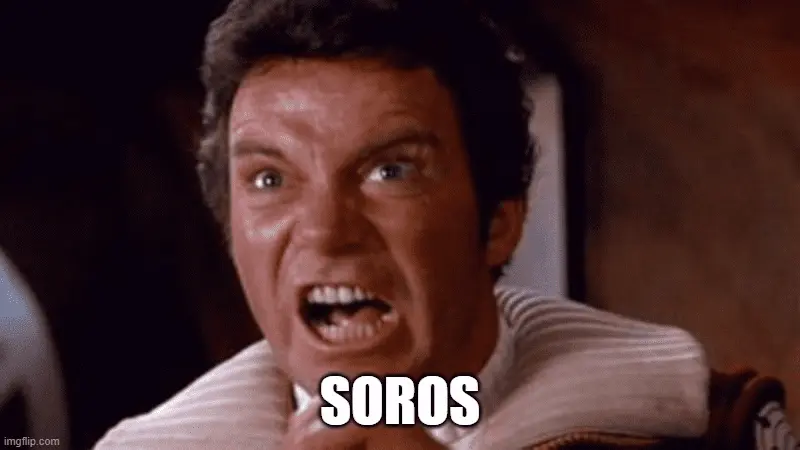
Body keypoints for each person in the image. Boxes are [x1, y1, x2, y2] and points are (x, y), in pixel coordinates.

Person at [94, 0, 796, 448]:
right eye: (271, 180)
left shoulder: (706, 423)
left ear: (499, 224)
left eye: (390, 171)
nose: (326, 232)